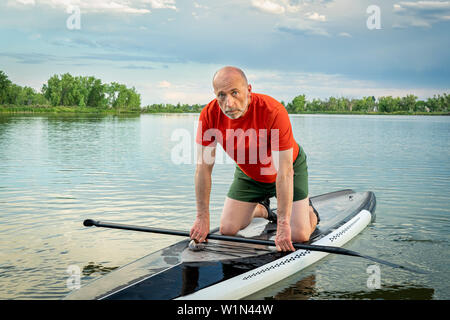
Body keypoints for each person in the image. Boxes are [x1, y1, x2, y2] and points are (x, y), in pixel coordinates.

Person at [190, 66, 319, 252]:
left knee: (299, 235)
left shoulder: (272, 111)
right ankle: (263, 209)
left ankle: (309, 212)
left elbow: (284, 172)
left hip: (288, 169)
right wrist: (202, 217)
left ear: (248, 90)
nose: (229, 103)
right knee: (227, 229)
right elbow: (203, 169)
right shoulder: (209, 115)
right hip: (249, 172)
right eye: (222, 95)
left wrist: (283, 224)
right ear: (215, 95)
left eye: (235, 93)